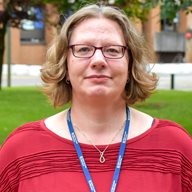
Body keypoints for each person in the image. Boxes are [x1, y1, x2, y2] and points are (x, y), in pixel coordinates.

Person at [0, 4, 192, 192]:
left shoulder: (176, 148)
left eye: (112, 50)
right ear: (65, 66)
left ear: (130, 65)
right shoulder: (21, 150)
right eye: (83, 49)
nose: (98, 60)